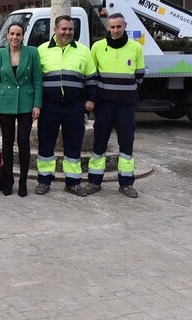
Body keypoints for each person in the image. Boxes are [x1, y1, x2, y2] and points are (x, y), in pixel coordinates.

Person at [84, 13, 145, 198]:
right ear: (108, 28)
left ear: (125, 25)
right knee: (99, 143)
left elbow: (140, 76)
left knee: (126, 144)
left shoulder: (135, 47)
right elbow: (92, 76)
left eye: (119, 26)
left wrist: (125, 93)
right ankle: (94, 181)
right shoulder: (97, 47)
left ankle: (126, 184)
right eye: (112, 27)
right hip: (104, 105)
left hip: (126, 106)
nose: (116, 30)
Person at [36, 15, 97, 197]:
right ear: (55, 30)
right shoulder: (41, 50)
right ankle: (44, 180)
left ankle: (73, 182)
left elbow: (92, 78)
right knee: (46, 144)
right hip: (49, 106)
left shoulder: (83, 51)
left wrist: (91, 100)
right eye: (63, 29)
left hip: (74, 106)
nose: (67, 32)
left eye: (70, 29)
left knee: (73, 145)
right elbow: (35, 80)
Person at [0, 22, 42, 197]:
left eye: (18, 34)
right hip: (5, 103)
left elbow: (37, 81)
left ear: (23, 36)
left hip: (26, 103)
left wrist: (37, 105)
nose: (14, 37)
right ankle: (9, 179)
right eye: (12, 34)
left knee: (24, 142)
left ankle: (23, 181)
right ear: (7, 35)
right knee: (7, 142)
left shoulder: (32, 53)